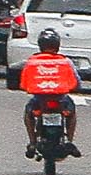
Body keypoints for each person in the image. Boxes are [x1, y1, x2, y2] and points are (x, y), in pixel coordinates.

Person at [20, 28, 82, 159]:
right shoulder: (65, 61)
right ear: (57, 46)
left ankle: (32, 142)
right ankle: (69, 141)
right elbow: (76, 80)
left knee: (28, 113)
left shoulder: (33, 61)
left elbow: (24, 80)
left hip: (39, 99)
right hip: (61, 99)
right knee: (71, 113)